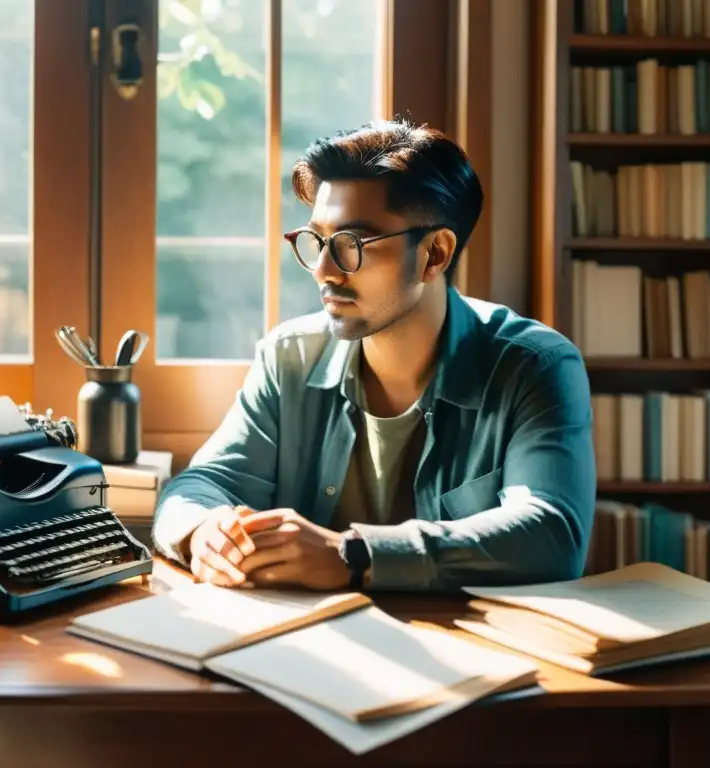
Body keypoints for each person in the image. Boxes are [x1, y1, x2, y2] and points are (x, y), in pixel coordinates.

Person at [151, 119, 595, 593]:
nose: (323, 270)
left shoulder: (535, 366)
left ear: (435, 254)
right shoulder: (290, 358)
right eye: (317, 241)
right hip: (302, 648)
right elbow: (198, 486)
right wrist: (204, 532)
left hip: (465, 654)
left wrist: (353, 556)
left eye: (352, 245)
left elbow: (551, 534)